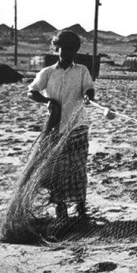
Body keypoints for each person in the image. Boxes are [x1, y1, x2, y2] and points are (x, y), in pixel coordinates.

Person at [28, 30, 95, 221]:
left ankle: (81, 207)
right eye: (64, 49)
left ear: (76, 51)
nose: (67, 53)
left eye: (71, 50)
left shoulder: (82, 71)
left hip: (78, 127)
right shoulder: (47, 73)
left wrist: (88, 96)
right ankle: (61, 208)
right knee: (57, 171)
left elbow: (89, 88)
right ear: (57, 48)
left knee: (78, 169)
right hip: (55, 129)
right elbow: (32, 92)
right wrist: (46, 101)